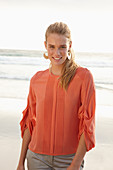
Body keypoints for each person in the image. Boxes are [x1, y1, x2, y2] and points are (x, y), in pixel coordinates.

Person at [17, 22, 96, 170]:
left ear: (70, 45)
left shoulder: (83, 77)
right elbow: (29, 123)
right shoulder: (36, 79)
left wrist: (75, 164)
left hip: (69, 159)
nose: (57, 53)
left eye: (62, 47)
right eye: (52, 47)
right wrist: (20, 162)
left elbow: (88, 125)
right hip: (36, 158)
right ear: (45, 45)